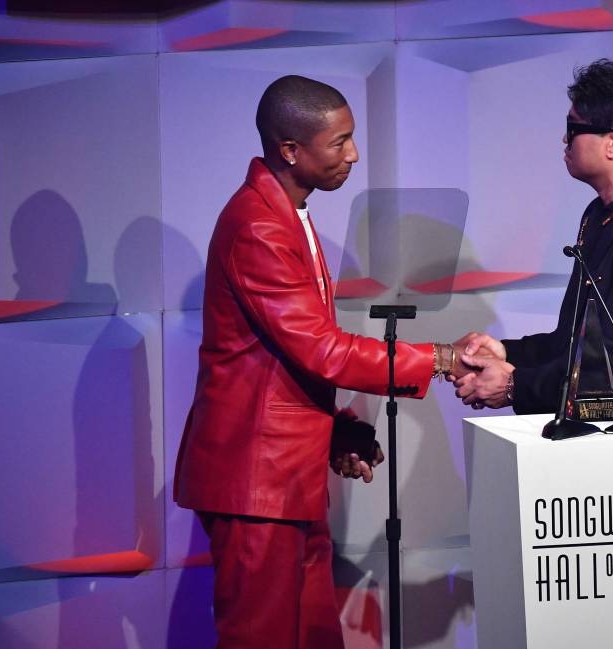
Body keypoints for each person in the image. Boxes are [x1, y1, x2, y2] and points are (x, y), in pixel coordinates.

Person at [173, 75, 466, 649]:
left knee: (311, 638)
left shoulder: (285, 211)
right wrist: (441, 358)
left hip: (286, 479)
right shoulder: (257, 224)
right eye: (339, 143)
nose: (353, 155)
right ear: (290, 150)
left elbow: (283, 360)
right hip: (258, 485)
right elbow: (322, 350)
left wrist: (335, 431)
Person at [454, 59, 613, 430]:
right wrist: (508, 352)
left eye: (573, 128)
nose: (565, 139)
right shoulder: (600, 214)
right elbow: (579, 342)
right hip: (611, 447)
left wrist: (516, 384)